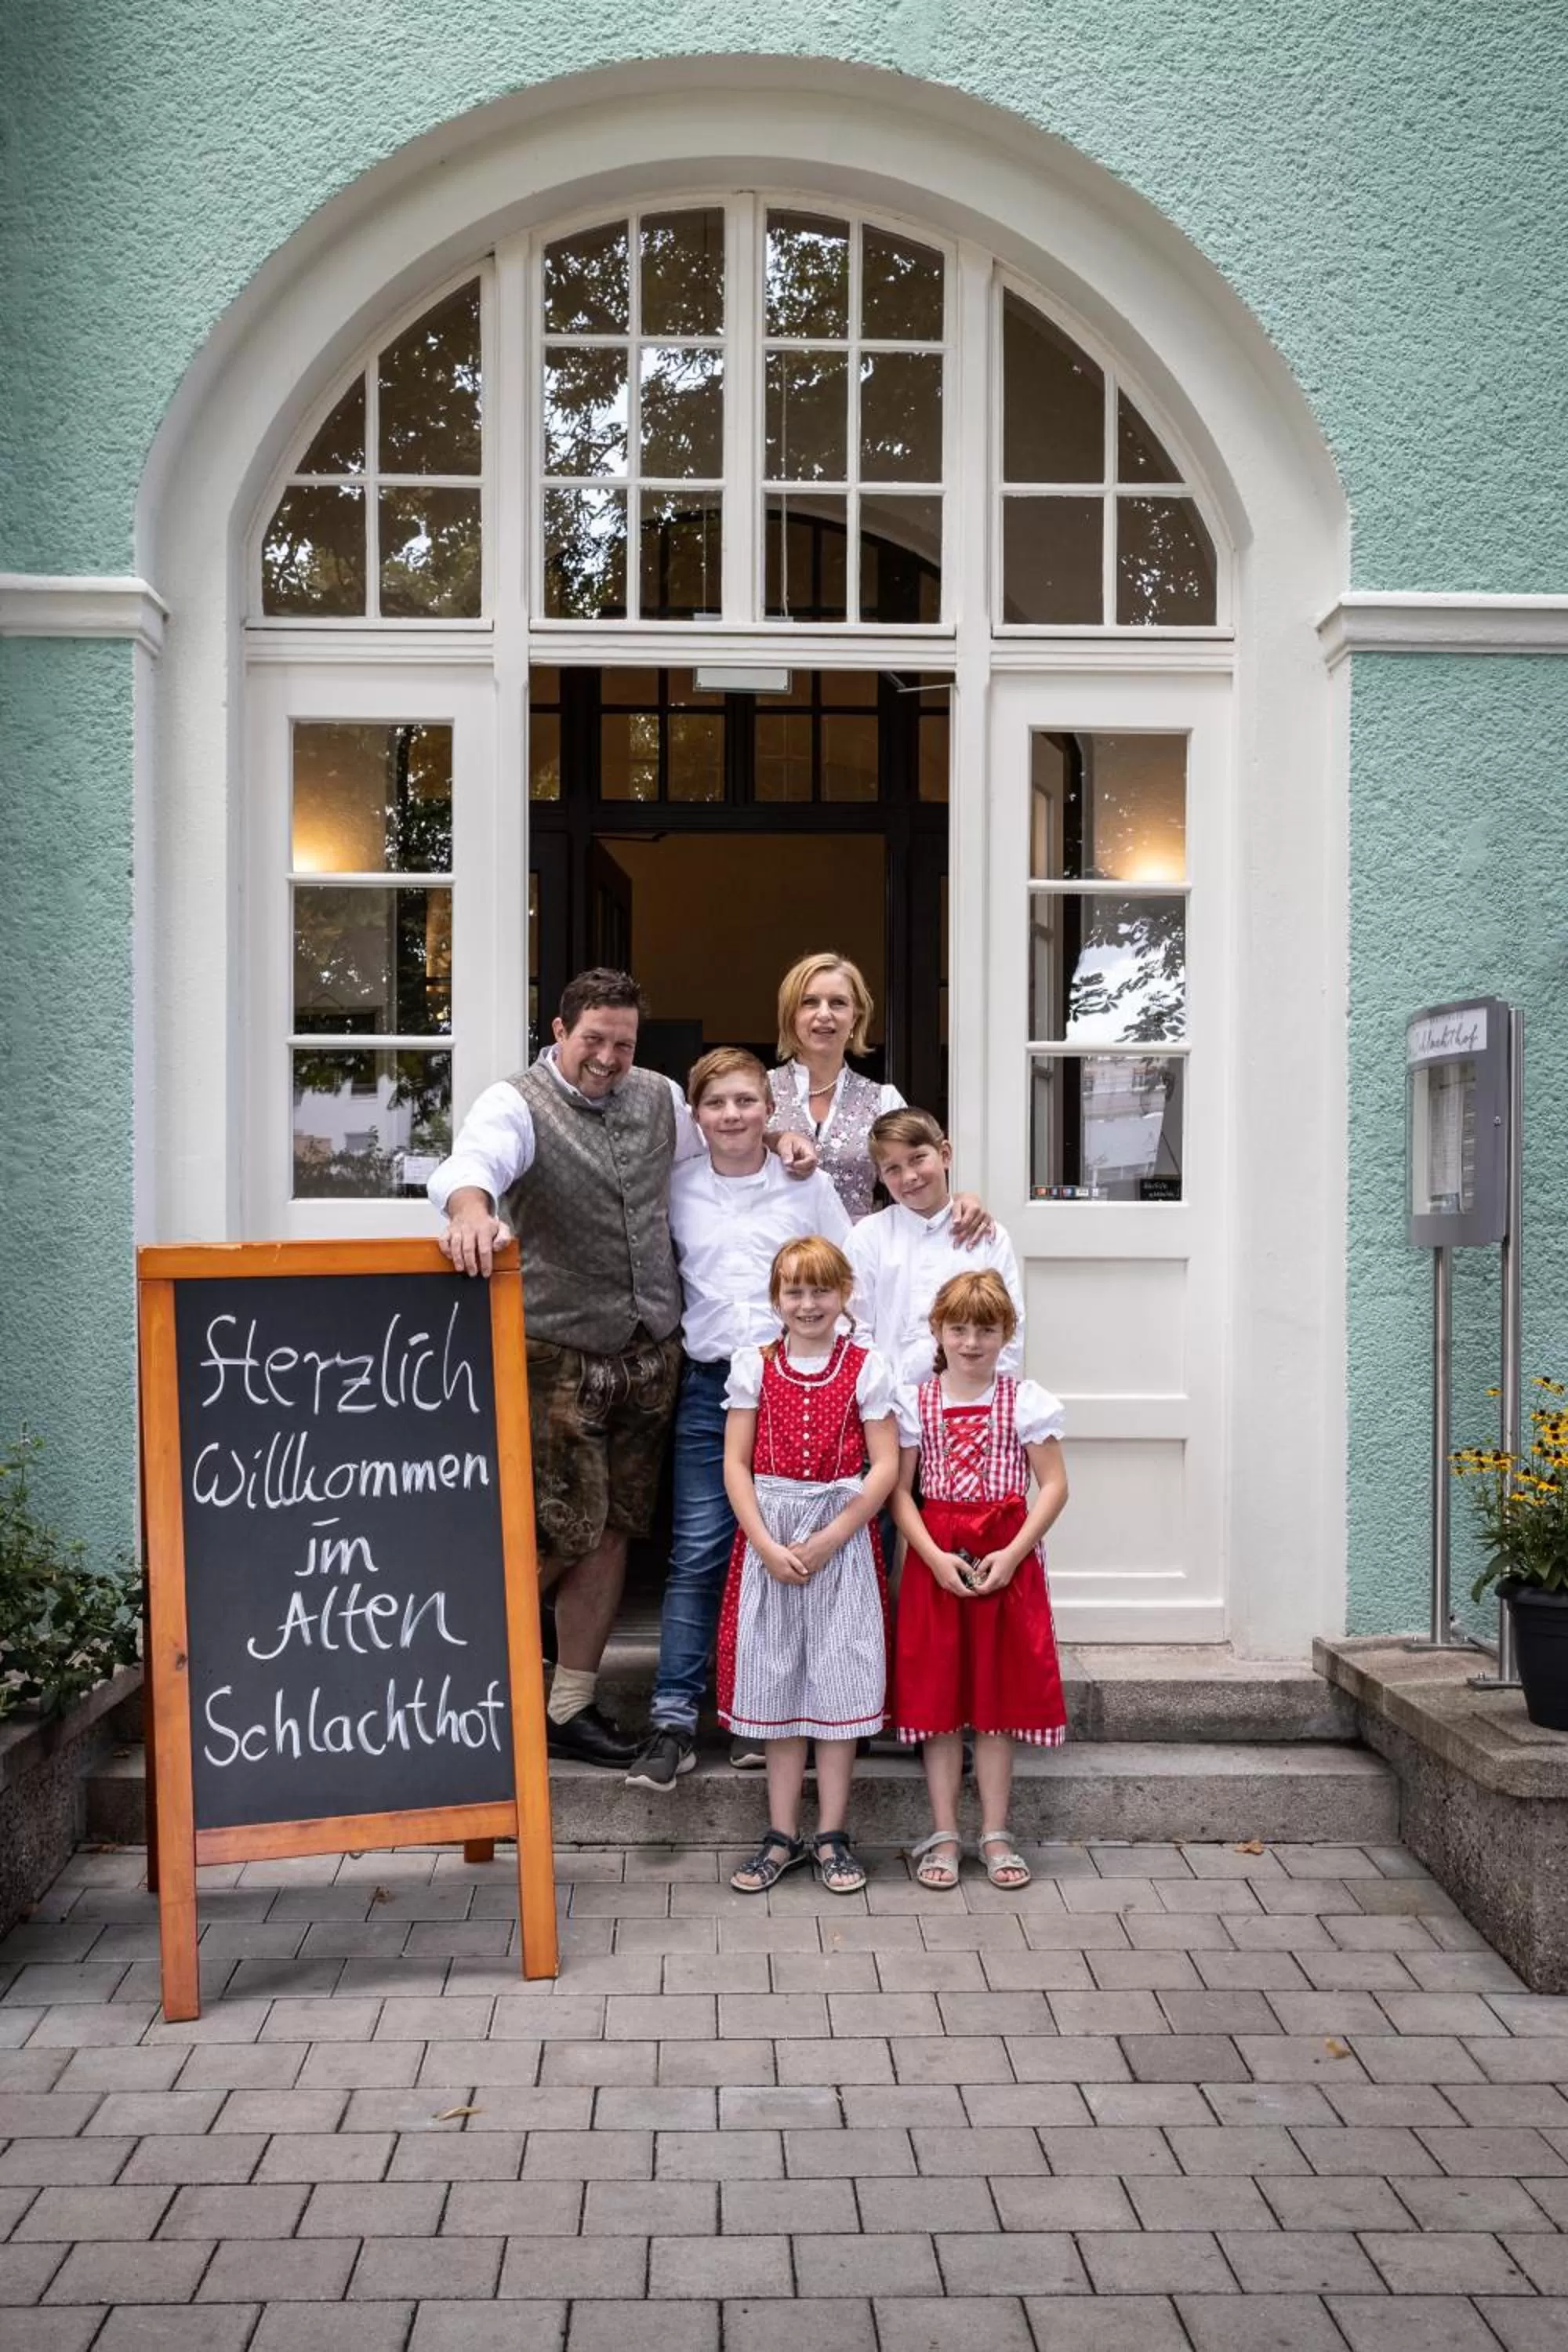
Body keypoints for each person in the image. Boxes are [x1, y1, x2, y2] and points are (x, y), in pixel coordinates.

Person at [428, 969, 817, 1768]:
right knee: (556, 1531)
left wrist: (777, 1138)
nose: (607, 1057)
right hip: (557, 1354)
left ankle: (568, 1705)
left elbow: (723, 1139)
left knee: (612, 1531)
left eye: (623, 1043)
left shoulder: (660, 1098)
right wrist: (469, 1208)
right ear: (558, 1029)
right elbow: (474, 1162)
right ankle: (452, 1679)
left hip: (649, 1358)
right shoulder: (515, 1102)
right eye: (593, 1040)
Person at [627, 1050, 851, 1793]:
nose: (731, 1115)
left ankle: (770, 1716)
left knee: (786, 1549)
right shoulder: (676, 1185)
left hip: (796, 1382)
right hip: (711, 1385)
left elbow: (850, 1274)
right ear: (697, 1115)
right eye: (716, 1103)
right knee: (700, 1547)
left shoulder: (804, 1182)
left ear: (770, 1109)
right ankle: (672, 1720)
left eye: (746, 1102)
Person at [717, 1238, 899, 1894]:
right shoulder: (756, 1365)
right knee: (779, 1683)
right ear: (776, 1300)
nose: (808, 1303)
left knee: (836, 1677)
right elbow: (736, 1462)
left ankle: (831, 1833)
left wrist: (834, 1536)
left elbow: (884, 1466)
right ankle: (779, 1833)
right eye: (794, 1291)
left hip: (839, 1542)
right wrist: (764, 1542)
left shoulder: (864, 1367)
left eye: (821, 1289)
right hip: (770, 1538)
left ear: (844, 1293)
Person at [891, 1270, 1069, 1892]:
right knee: (939, 1706)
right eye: (959, 1329)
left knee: (994, 1708)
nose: (971, 1342)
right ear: (938, 1331)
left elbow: (1054, 1486)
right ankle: (944, 1831)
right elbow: (899, 1494)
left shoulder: (1025, 1400)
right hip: (936, 1565)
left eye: (985, 1330)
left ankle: (995, 1831)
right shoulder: (916, 1402)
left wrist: (1016, 1553)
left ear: (1005, 1334)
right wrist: (934, 1557)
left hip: (1005, 1566)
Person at [848, 1109, 1025, 1384]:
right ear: (880, 1177)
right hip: (889, 1402)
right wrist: (876, 1394)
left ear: (944, 1154)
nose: (909, 1177)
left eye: (918, 1159)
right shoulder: (867, 1238)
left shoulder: (987, 1236)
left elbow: (1010, 1327)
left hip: (971, 1405)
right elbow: (853, 1326)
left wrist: (990, 1397)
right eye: (893, 1168)